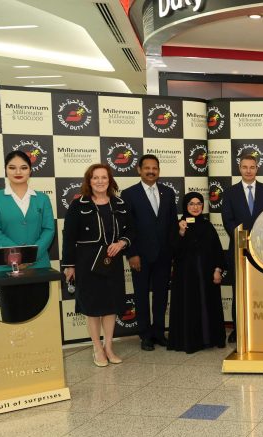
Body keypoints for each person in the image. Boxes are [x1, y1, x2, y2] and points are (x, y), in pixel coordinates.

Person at [62, 164, 133, 367]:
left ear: (110, 180)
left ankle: (108, 347)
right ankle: (97, 348)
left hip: (112, 261)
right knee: (92, 307)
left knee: (111, 306)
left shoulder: (120, 203)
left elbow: (132, 230)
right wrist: (69, 265)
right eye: (95, 177)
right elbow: (69, 237)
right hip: (86, 263)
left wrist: (122, 243)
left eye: (104, 177)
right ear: (89, 181)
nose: (100, 181)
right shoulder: (78, 205)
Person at [0, 150, 55, 322]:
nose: (18, 172)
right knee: (12, 320)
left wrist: (31, 255)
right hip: (6, 270)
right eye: (12, 167)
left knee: (40, 320)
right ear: (5, 170)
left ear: (30, 170)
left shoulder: (42, 199)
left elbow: (48, 229)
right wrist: (18, 255)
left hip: (38, 267)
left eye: (23, 167)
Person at [120, 154, 176, 351]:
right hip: (140, 256)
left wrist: (172, 254)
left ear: (159, 171)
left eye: (155, 168)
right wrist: (132, 253)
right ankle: (145, 335)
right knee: (141, 295)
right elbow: (126, 227)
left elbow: (171, 225)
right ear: (139, 170)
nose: (151, 171)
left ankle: (159, 333)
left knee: (161, 296)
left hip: (164, 255)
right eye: (147, 168)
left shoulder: (168, 192)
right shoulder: (129, 194)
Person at [222, 153, 263, 342]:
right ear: (239, 168)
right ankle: (238, 329)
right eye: (245, 167)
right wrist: (243, 239)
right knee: (239, 290)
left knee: (262, 289)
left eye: (252, 167)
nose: (248, 171)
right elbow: (227, 220)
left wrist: (258, 239)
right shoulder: (230, 192)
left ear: (257, 169)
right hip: (239, 248)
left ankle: (262, 327)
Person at [168, 192, 226, 354]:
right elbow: (173, 252)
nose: (195, 207)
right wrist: (181, 232)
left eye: (199, 203)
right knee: (189, 307)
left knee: (208, 306)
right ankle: (191, 341)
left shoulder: (208, 226)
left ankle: (209, 339)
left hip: (207, 275)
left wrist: (217, 270)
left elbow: (217, 251)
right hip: (185, 277)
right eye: (191, 204)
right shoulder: (178, 225)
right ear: (185, 206)